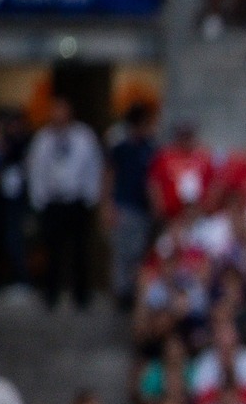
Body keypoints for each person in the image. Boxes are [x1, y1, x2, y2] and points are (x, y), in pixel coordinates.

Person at [26, 98, 102, 309]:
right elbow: (36, 170)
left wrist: (91, 196)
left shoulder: (83, 136)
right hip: (52, 202)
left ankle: (81, 296)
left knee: (79, 250)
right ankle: (51, 295)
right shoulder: (43, 139)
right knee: (52, 250)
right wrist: (38, 199)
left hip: (76, 201)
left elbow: (93, 166)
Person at [102, 105, 156, 308]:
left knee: (138, 253)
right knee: (122, 253)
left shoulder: (149, 148)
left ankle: (133, 294)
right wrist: (107, 205)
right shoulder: (121, 147)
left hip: (142, 209)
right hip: (124, 206)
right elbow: (109, 175)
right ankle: (120, 294)